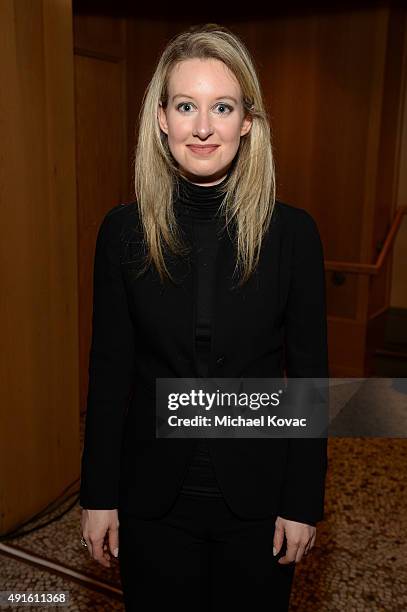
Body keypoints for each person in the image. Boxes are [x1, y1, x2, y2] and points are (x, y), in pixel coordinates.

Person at [79, 23, 329, 612]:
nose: (203, 126)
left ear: (248, 122)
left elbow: (310, 380)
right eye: (186, 105)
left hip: (259, 498)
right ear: (161, 118)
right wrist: (98, 495)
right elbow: (111, 373)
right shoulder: (123, 232)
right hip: (151, 498)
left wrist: (302, 501)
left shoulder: (292, 234)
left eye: (223, 107)